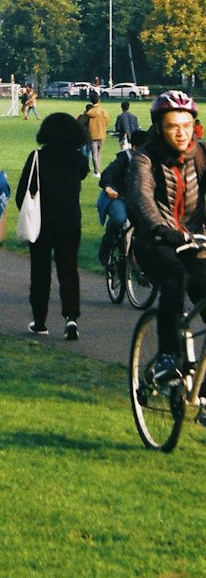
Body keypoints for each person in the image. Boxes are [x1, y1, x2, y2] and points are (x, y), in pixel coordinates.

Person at [127, 91, 206, 381]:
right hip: (156, 242)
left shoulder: (201, 154)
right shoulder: (144, 157)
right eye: (174, 126)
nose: (182, 132)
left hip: (195, 241)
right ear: (159, 127)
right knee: (175, 279)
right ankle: (167, 357)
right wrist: (160, 229)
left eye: (187, 125)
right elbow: (140, 196)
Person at [15, 112, 88, 339]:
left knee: (40, 272)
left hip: (42, 223)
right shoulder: (79, 160)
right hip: (70, 221)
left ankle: (40, 321)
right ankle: (71, 318)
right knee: (68, 271)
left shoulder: (37, 157)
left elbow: (22, 194)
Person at [97, 128, 147, 267]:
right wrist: (108, 187)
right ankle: (107, 244)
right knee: (119, 219)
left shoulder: (150, 160)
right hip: (119, 197)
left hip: (139, 199)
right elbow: (107, 174)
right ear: (134, 147)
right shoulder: (124, 158)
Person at [82, 90, 109, 174]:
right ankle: (98, 169)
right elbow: (107, 121)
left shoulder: (88, 113)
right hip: (102, 133)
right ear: (99, 100)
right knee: (98, 153)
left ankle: (96, 171)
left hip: (92, 134)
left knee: (94, 153)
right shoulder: (103, 111)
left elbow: (82, 123)